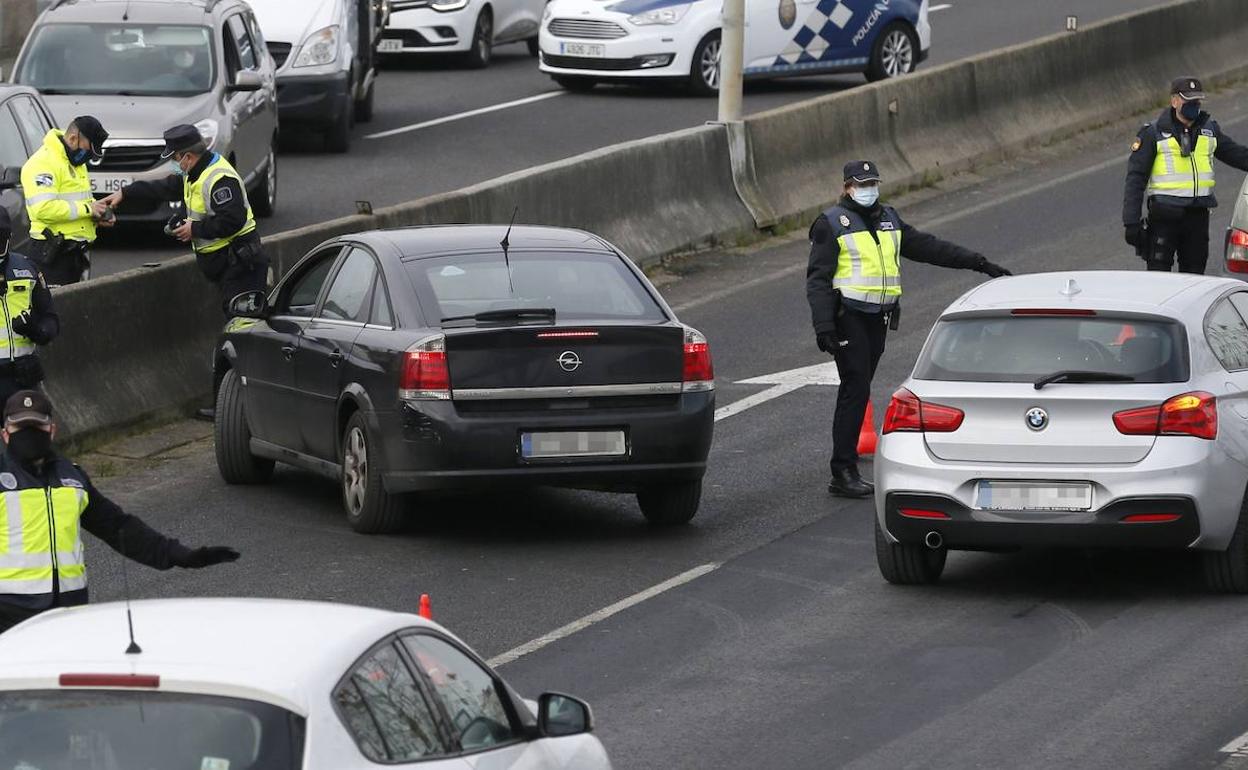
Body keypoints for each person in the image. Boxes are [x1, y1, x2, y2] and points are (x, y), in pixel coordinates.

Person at [807, 161, 1011, 498]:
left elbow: (929, 247)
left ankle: (844, 465)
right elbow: (817, 279)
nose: (869, 188)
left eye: (873, 182)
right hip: (849, 316)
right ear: (847, 187)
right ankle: (842, 471)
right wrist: (824, 324)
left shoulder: (888, 218)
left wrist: (978, 262)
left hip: (879, 317)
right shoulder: (831, 224)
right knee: (855, 387)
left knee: (859, 387)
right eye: (862, 183)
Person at [0, 390, 240, 633]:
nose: (29, 434)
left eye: (37, 426)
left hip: (68, 615)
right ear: (5, 434)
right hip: (10, 618)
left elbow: (118, 527)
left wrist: (179, 555)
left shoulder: (71, 477)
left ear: (51, 430)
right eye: (20, 427)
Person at [99, 124, 270, 420]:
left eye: (176, 158)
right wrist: (125, 193)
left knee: (242, 339)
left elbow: (233, 219)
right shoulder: (196, 172)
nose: (176, 165)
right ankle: (234, 407)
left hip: (241, 268)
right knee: (235, 338)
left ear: (188, 156)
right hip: (228, 270)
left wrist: (196, 228)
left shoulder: (219, 178)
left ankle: (238, 410)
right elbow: (166, 186)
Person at [1123, 76, 1248, 274]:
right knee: (1159, 280)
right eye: (1187, 100)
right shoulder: (1153, 133)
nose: (1193, 105)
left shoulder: (1209, 129)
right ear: (1174, 101)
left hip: (1197, 217)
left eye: (1197, 100)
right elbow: (1136, 178)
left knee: (1195, 280)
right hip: (1164, 216)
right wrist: (1131, 222)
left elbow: (1237, 155)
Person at [20, 116, 113, 285]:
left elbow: (79, 199)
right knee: (56, 308)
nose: (89, 157)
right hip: (51, 255)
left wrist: (97, 213)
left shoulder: (74, 162)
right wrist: (88, 209)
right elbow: (44, 209)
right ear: (72, 138)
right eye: (89, 150)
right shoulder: (43, 163)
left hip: (74, 254)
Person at [0, 208, 59, 404]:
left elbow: (50, 319)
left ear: (9, 237)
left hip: (23, 377)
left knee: (32, 432)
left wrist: (36, 330)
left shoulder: (27, 268)